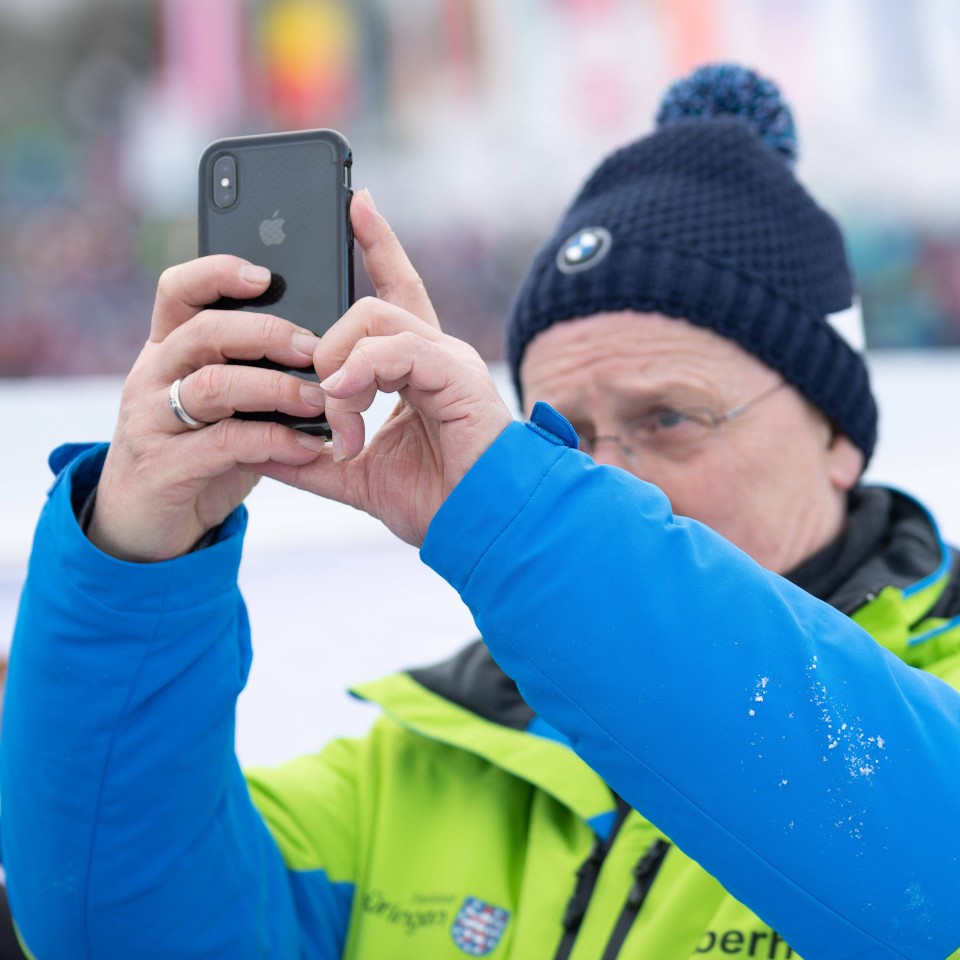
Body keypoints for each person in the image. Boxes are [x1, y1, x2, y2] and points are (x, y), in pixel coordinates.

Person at [3, 63, 960, 960]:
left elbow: (927, 875)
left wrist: (526, 510)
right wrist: (130, 563)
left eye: (670, 417)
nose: (610, 474)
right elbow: (110, 927)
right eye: (559, 432)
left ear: (839, 434)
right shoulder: (425, 761)